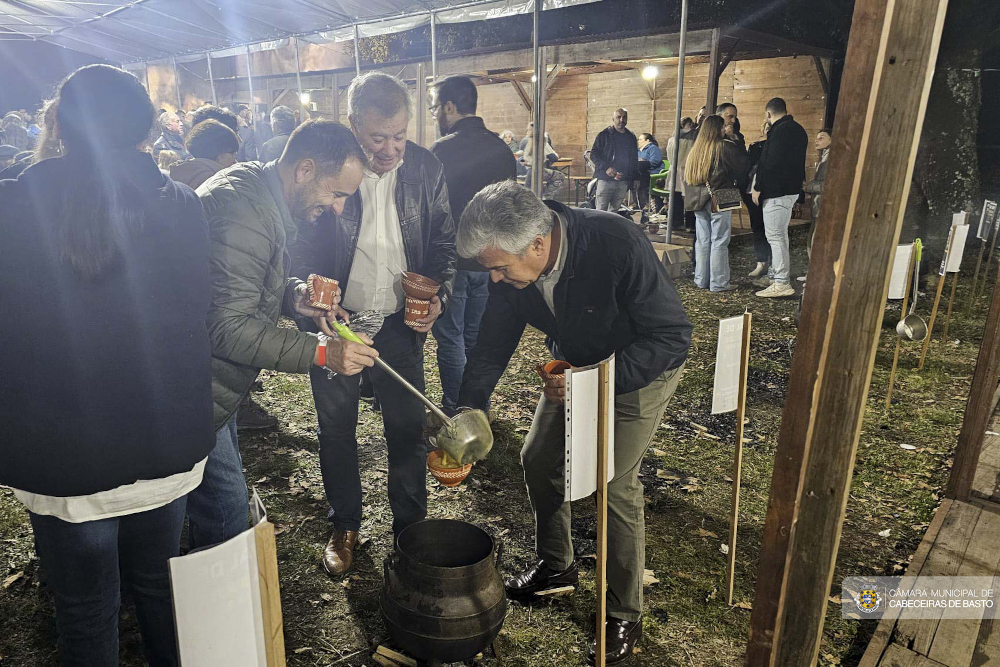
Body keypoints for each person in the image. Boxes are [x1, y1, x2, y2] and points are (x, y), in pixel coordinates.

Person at [0, 64, 215, 667]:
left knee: (86, 610)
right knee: (158, 590)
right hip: (163, 447)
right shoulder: (181, 206)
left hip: (67, 460)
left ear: (59, 125)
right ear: (148, 128)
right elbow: (196, 309)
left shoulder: (15, 207)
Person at [456, 181, 691, 665]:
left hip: (639, 369)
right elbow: (491, 344)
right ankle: (557, 565)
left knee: (614, 483)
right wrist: (468, 408)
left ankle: (623, 610)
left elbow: (671, 336)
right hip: (574, 367)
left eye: (500, 267)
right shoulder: (512, 270)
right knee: (538, 458)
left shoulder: (616, 242)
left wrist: (599, 381)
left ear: (538, 244)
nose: (495, 279)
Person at [291, 72, 456, 577]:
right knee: (337, 428)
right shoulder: (330, 170)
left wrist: (440, 298)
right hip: (338, 325)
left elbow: (444, 245)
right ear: (353, 125)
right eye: (378, 138)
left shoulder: (426, 168)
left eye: (400, 136)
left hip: (400, 325)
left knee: (406, 429)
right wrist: (307, 295)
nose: (390, 150)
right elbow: (294, 245)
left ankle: (411, 528)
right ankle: (345, 524)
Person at [187, 120, 374, 550]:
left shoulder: (260, 194)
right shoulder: (242, 212)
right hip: (195, 384)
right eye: (337, 194)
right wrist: (323, 352)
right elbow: (226, 327)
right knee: (224, 514)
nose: (339, 208)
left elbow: (239, 286)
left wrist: (294, 296)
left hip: (214, 387)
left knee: (215, 500)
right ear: (305, 170)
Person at [427, 75, 517, 415]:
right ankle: (476, 406)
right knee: (475, 338)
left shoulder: (440, 151)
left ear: (449, 107)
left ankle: (455, 408)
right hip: (492, 262)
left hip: (451, 261)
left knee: (450, 337)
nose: (435, 114)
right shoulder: (501, 149)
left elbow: (429, 214)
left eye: (435, 107)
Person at [684, 115, 748, 292]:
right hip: (723, 194)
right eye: (723, 127)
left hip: (698, 198)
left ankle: (701, 279)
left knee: (703, 241)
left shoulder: (696, 149)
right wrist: (734, 139)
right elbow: (741, 167)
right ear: (718, 129)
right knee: (720, 240)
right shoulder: (724, 146)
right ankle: (719, 282)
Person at [751, 97, 808, 298]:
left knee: (776, 237)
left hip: (777, 191)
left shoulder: (779, 131)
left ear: (768, 114)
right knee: (779, 235)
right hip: (789, 189)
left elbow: (769, 162)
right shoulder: (798, 129)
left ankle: (781, 281)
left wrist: (758, 186)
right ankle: (776, 275)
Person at [590, 108, 638, 213]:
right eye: (618, 117)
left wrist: (635, 178)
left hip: (623, 181)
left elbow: (634, 159)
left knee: (614, 212)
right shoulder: (604, 135)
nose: (621, 120)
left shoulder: (631, 137)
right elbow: (593, 154)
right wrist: (606, 167)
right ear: (613, 119)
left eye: (624, 117)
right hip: (605, 180)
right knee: (600, 212)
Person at [169, 119, 240, 189]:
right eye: (232, 153)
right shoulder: (217, 183)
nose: (234, 159)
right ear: (219, 155)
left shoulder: (179, 175)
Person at [744, 120, 772, 279]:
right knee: (758, 227)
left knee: (772, 229)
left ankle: (772, 262)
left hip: (771, 192)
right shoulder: (756, 147)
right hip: (753, 191)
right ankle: (761, 262)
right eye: (766, 127)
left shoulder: (781, 148)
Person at [663, 117, 696, 226]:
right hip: (684, 170)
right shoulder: (690, 140)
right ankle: (688, 223)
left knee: (679, 197)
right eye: (688, 124)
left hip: (676, 169)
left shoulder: (673, 139)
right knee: (686, 198)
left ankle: (677, 222)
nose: (690, 126)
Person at [636, 132, 663, 211]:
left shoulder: (653, 148)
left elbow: (655, 161)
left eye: (640, 139)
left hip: (653, 173)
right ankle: (637, 203)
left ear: (647, 140)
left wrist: (643, 163)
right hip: (642, 172)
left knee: (642, 177)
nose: (638, 141)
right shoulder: (638, 151)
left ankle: (647, 204)